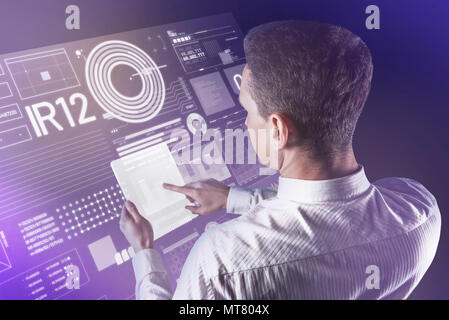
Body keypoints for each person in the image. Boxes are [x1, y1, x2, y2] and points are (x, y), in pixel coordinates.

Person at [119, 20, 441, 299]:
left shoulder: (222, 262)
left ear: (277, 129)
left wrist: (145, 252)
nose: (245, 123)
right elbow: (337, 213)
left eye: (247, 110)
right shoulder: (420, 209)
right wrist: (234, 198)